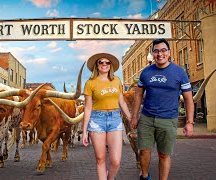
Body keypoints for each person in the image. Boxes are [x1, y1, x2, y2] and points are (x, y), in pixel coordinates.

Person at [131, 38, 194, 180]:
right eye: (156, 51)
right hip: (146, 118)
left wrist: (189, 122)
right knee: (144, 151)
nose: (160, 54)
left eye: (163, 50)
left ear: (169, 53)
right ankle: (145, 176)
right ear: (153, 53)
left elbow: (189, 99)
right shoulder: (146, 72)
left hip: (168, 119)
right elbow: (138, 96)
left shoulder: (179, 73)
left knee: (164, 154)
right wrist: (134, 116)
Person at [82, 53, 132, 180]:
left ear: (111, 66)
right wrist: (84, 131)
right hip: (96, 120)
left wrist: (131, 118)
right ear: (97, 65)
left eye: (107, 62)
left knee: (115, 161)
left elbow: (122, 102)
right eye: (101, 62)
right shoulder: (90, 83)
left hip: (115, 119)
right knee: (100, 159)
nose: (104, 64)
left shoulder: (117, 81)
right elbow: (88, 108)